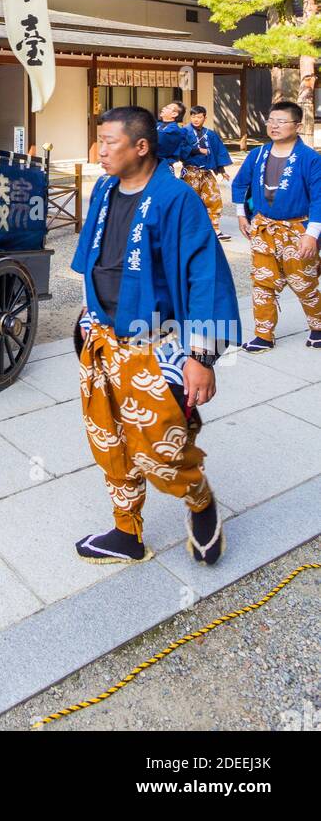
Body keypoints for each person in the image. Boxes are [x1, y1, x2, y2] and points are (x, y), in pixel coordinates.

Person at [71, 106, 240, 567]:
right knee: (108, 440)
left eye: (109, 142)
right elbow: (98, 261)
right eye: (99, 140)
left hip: (154, 341)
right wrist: (86, 317)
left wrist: (201, 357)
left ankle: (199, 499)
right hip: (102, 338)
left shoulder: (176, 197)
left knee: (160, 446)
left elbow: (205, 275)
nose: (100, 151)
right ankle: (126, 531)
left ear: (141, 147)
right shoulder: (106, 189)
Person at [231, 99, 321, 352]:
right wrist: (241, 215)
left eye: (281, 121)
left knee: (304, 283)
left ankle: (318, 326)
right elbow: (239, 184)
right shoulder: (257, 153)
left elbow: (319, 197)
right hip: (264, 228)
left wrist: (312, 235)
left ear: (297, 125)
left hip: (297, 230)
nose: (274, 126)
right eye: (270, 120)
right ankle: (263, 335)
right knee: (262, 282)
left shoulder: (310, 158)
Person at [181, 105, 233, 239]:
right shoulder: (184, 132)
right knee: (190, 201)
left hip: (206, 172)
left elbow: (217, 152)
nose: (196, 119)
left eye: (199, 117)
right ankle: (189, 230)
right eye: (193, 116)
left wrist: (221, 170)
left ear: (205, 118)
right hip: (190, 172)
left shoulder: (210, 134)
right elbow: (180, 149)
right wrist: (197, 150)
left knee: (213, 198)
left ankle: (214, 229)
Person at [156, 101, 197, 170]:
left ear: (174, 114)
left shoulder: (174, 130)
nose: (163, 108)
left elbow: (159, 143)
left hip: (164, 166)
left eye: (167, 108)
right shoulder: (158, 125)